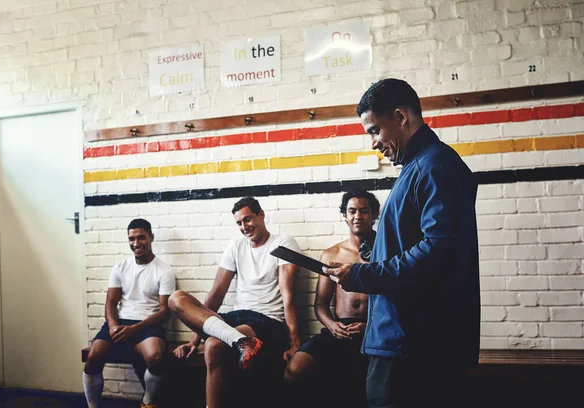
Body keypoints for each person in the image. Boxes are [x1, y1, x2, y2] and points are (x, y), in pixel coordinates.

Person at [323, 79, 481, 408]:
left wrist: (362, 275)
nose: (373, 144)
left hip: (414, 344)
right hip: (402, 339)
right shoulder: (420, 167)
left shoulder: (435, 166)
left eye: (374, 130)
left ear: (400, 117)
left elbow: (437, 251)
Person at [169, 196, 301, 408]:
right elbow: (216, 295)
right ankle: (241, 341)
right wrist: (193, 341)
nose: (244, 227)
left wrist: (295, 341)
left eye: (248, 219)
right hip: (237, 316)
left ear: (261, 215)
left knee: (213, 345)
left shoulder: (282, 242)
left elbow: (289, 294)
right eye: (239, 223)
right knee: (176, 298)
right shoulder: (236, 246)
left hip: (267, 320)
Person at [284, 188, 380, 408]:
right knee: (295, 369)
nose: (358, 216)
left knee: (364, 385)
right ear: (344, 216)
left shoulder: (387, 251)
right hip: (340, 329)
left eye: (364, 211)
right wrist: (332, 325)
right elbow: (320, 305)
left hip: (374, 329)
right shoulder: (331, 255)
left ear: (374, 215)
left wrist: (370, 326)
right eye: (352, 211)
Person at [83, 218, 176, 408]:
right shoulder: (120, 267)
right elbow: (110, 302)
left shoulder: (164, 270)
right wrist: (113, 325)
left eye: (141, 237)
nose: (136, 243)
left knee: (156, 357)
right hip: (121, 323)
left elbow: (165, 311)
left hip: (148, 324)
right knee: (93, 356)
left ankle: (147, 401)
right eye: (131, 238)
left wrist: (134, 329)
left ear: (151, 237)